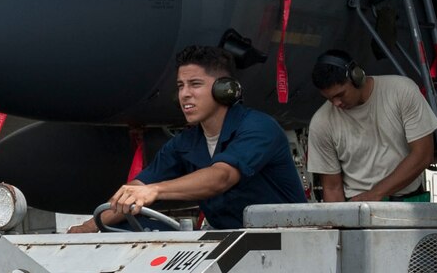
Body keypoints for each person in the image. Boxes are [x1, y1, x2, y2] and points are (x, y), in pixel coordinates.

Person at [69, 44, 306, 232]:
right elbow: (137, 187)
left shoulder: (258, 128)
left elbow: (221, 177)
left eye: (195, 84)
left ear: (225, 89)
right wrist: (90, 227)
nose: (184, 94)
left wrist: (155, 190)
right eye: (181, 86)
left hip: (285, 241)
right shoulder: (185, 142)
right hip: (231, 245)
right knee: (123, 226)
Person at [304, 51, 437, 203]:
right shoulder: (321, 122)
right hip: (358, 205)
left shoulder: (402, 91)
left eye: (340, 95)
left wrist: (376, 194)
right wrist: (340, 223)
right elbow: (332, 188)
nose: (336, 103)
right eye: (329, 99)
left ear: (357, 77)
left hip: (409, 202)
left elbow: (423, 155)